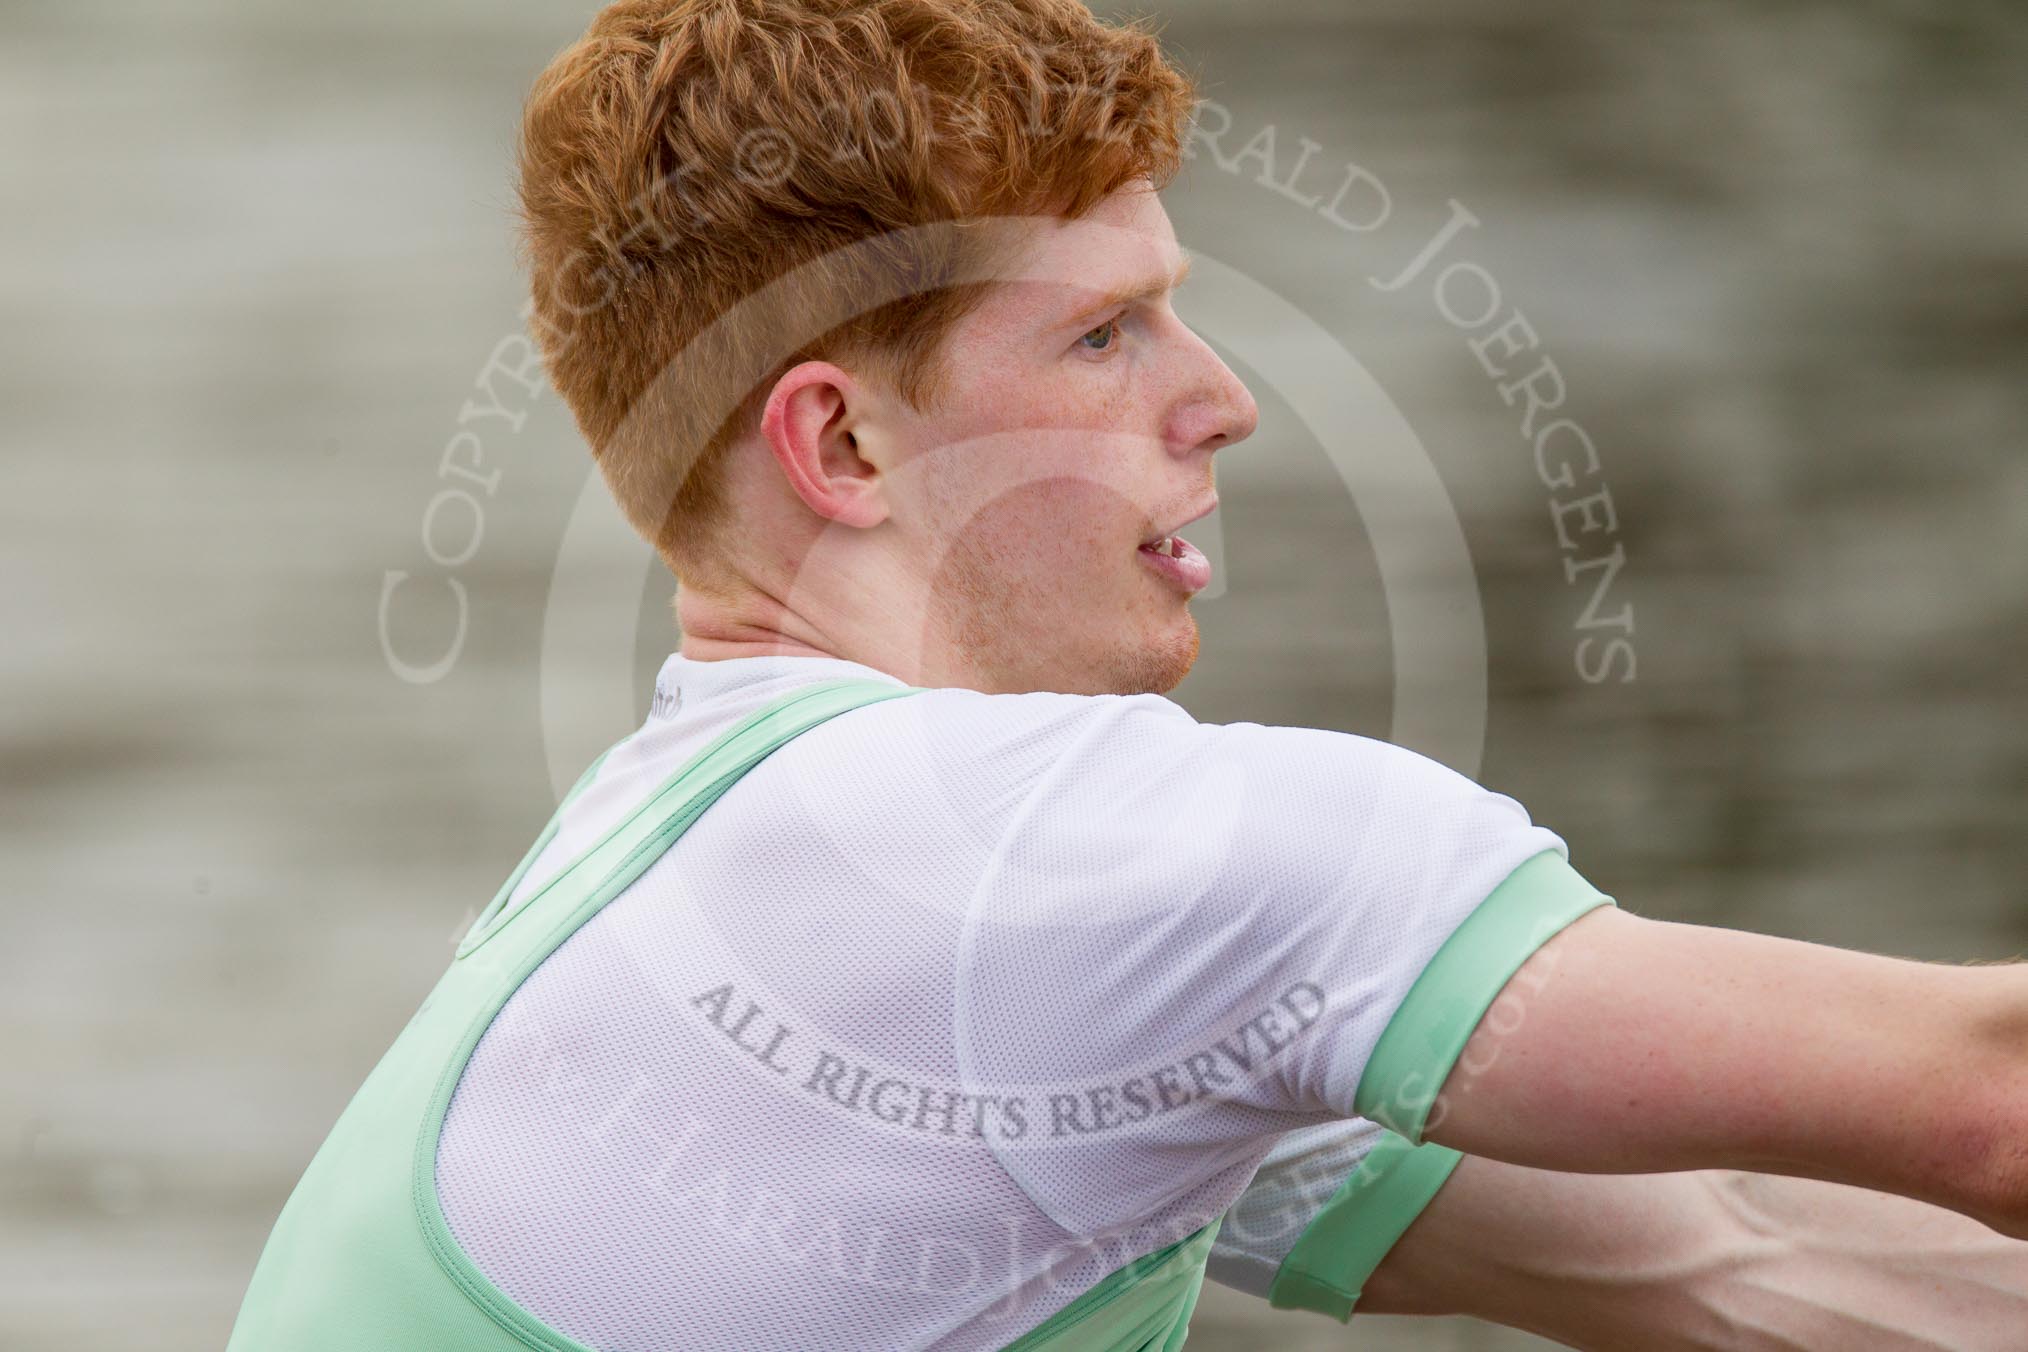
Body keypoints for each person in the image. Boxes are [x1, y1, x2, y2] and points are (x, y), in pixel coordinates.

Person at [228, 1, 2028, 1348]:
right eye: (1104, 333)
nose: (1223, 397)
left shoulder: (729, 892)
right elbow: (1989, 1095)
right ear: (841, 448)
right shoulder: (1048, 863)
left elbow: (1735, 1259)